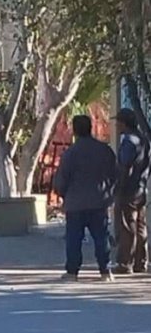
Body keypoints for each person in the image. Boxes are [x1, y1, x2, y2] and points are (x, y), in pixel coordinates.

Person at [53, 114, 117, 282]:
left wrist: (62, 194)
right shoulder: (104, 150)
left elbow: (61, 179)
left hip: (75, 203)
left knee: (74, 238)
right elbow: (114, 174)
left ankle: (72, 272)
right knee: (101, 237)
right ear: (91, 128)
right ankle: (105, 271)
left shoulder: (70, 153)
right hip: (99, 201)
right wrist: (109, 194)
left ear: (74, 131)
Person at [113, 108, 150, 274]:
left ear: (123, 123)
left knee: (127, 225)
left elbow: (125, 166)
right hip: (141, 188)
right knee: (141, 225)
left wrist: (119, 187)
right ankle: (141, 261)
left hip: (128, 189)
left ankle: (125, 262)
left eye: (118, 122)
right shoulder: (143, 139)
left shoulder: (128, 141)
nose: (116, 125)